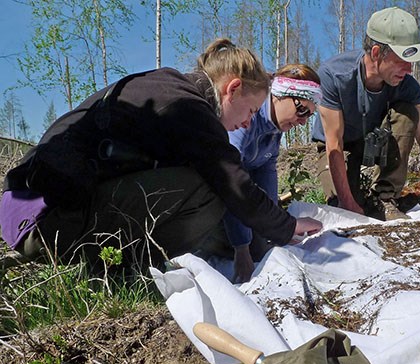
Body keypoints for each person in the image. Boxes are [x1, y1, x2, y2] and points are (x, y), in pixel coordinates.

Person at [0, 38, 322, 272]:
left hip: (28, 209)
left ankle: (120, 264)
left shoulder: (173, 89)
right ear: (232, 88)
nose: (249, 120)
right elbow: (236, 185)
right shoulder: (188, 108)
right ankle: (122, 272)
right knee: (209, 191)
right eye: (251, 109)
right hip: (41, 221)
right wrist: (288, 226)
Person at [312, 6, 420, 221]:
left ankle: (386, 197)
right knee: (342, 208)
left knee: (407, 112)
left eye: (412, 61)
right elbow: (334, 145)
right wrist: (348, 203)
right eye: (402, 61)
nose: (409, 70)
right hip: (339, 150)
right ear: (377, 53)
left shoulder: (408, 87)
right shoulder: (334, 75)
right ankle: (351, 199)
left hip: (376, 145)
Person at [223, 63, 321, 282]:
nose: (303, 121)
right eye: (302, 109)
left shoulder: (274, 129)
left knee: (262, 249)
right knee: (245, 249)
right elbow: (230, 181)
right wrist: (241, 248)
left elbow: (267, 173)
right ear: (279, 95)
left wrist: (280, 230)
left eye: (309, 116)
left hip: (243, 200)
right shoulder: (247, 115)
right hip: (220, 194)